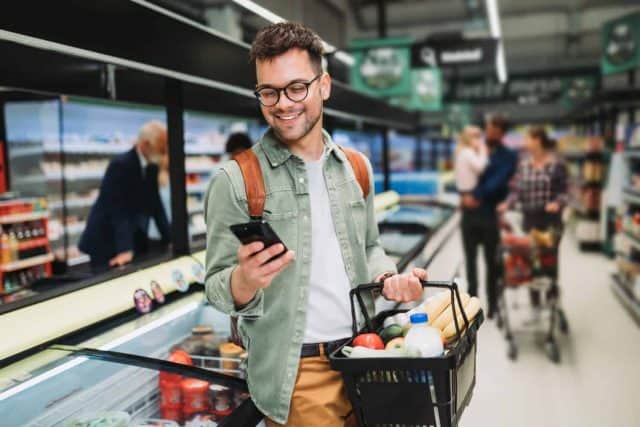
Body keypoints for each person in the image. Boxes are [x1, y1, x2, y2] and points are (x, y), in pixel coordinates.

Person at [204, 22, 427, 427]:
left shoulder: (356, 168)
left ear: (324, 85)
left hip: (366, 357)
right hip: (298, 377)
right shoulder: (236, 181)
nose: (282, 103)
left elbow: (371, 246)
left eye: (295, 88)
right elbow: (216, 288)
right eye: (268, 92)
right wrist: (245, 279)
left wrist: (389, 276)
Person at [79, 121, 170, 273]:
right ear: (146, 144)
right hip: (106, 239)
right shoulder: (120, 165)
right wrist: (125, 249)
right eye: (161, 148)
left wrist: (169, 239)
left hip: (131, 238)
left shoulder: (151, 167)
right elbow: (118, 209)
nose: (164, 153)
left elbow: (156, 205)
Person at [498, 126, 569, 306]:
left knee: (548, 258)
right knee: (530, 257)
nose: (524, 143)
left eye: (527, 138)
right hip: (530, 219)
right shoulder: (524, 164)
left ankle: (551, 293)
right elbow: (517, 190)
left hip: (551, 219)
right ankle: (535, 298)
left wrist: (557, 202)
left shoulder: (556, 164)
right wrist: (508, 203)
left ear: (537, 140)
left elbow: (565, 191)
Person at [460, 114, 517, 319]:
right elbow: (463, 173)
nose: (489, 133)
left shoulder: (508, 156)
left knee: (492, 262)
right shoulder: (474, 149)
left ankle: (493, 304)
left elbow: (498, 181)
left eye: (494, 130)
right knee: (470, 262)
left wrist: (474, 196)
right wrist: (463, 194)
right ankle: (472, 306)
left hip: (489, 215)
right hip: (469, 216)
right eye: (488, 128)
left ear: (502, 133)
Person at [454, 125, 488, 194]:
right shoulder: (468, 152)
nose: (481, 141)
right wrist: (483, 151)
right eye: (477, 137)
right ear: (469, 138)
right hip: (469, 192)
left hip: (464, 190)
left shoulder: (462, 151)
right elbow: (480, 168)